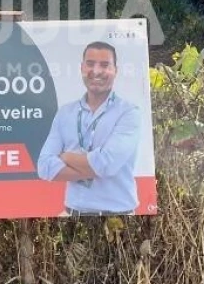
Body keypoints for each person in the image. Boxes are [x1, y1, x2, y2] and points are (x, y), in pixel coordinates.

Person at [37, 40, 142, 215]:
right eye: (90, 64)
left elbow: (107, 164)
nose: (96, 71)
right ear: (82, 68)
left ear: (116, 70)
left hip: (119, 215)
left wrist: (66, 156)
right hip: (72, 214)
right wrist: (93, 168)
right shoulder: (65, 113)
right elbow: (44, 167)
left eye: (105, 65)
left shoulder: (129, 113)